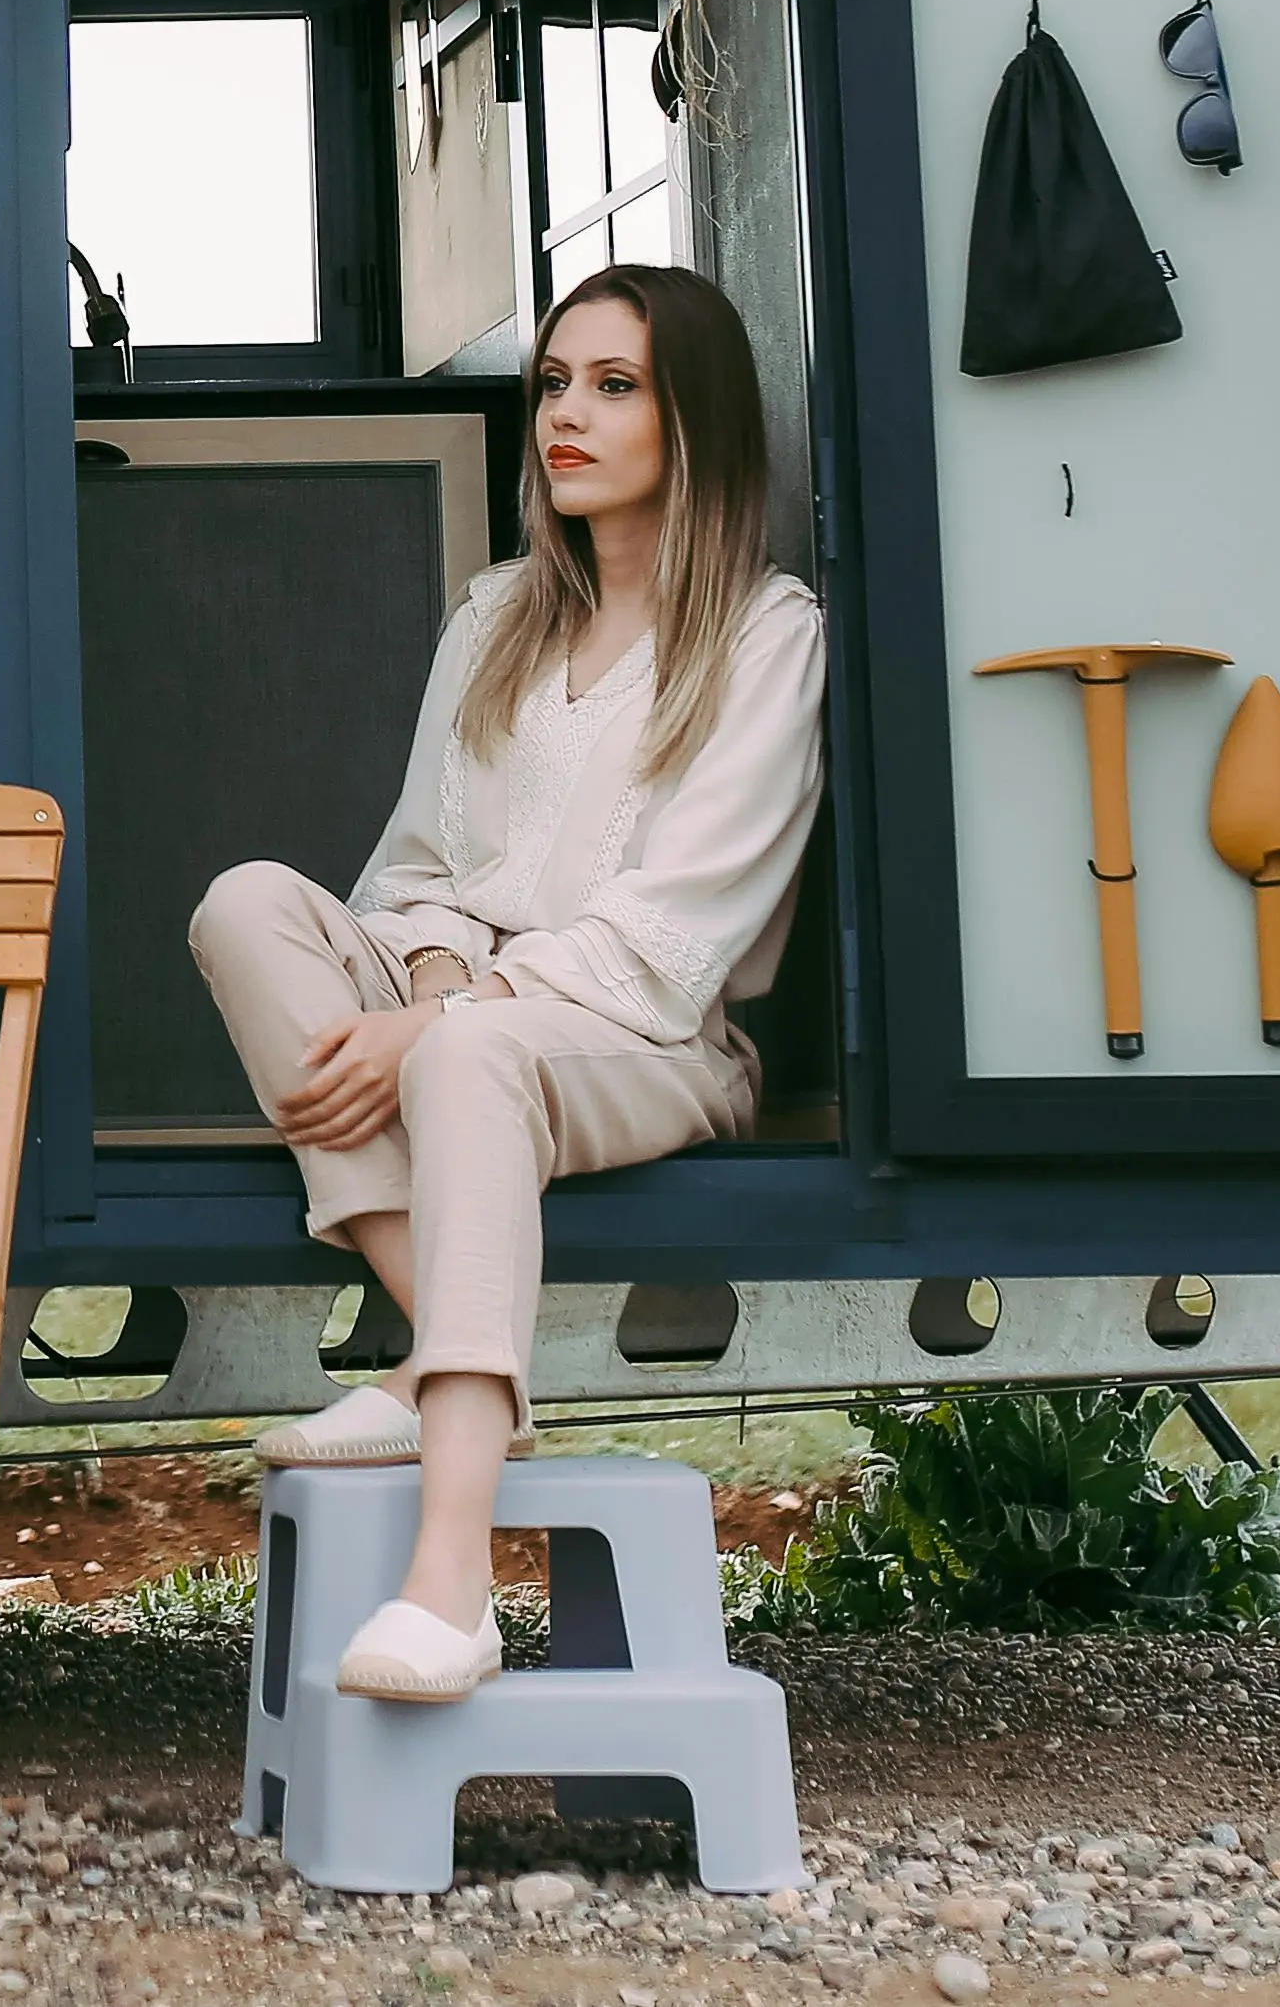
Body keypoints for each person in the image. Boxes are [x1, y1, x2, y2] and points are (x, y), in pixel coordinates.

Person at [184, 261, 824, 1700]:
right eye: (552, 382)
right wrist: (426, 974)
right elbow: (411, 869)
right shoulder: (496, 619)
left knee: (471, 1058)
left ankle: (453, 1573)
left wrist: (445, 1016)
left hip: (649, 1039)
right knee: (247, 908)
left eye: (614, 385)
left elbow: (672, 941)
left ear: (695, 419)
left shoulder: (768, 638)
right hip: (462, 1005)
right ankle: (448, 1358)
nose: (565, 415)